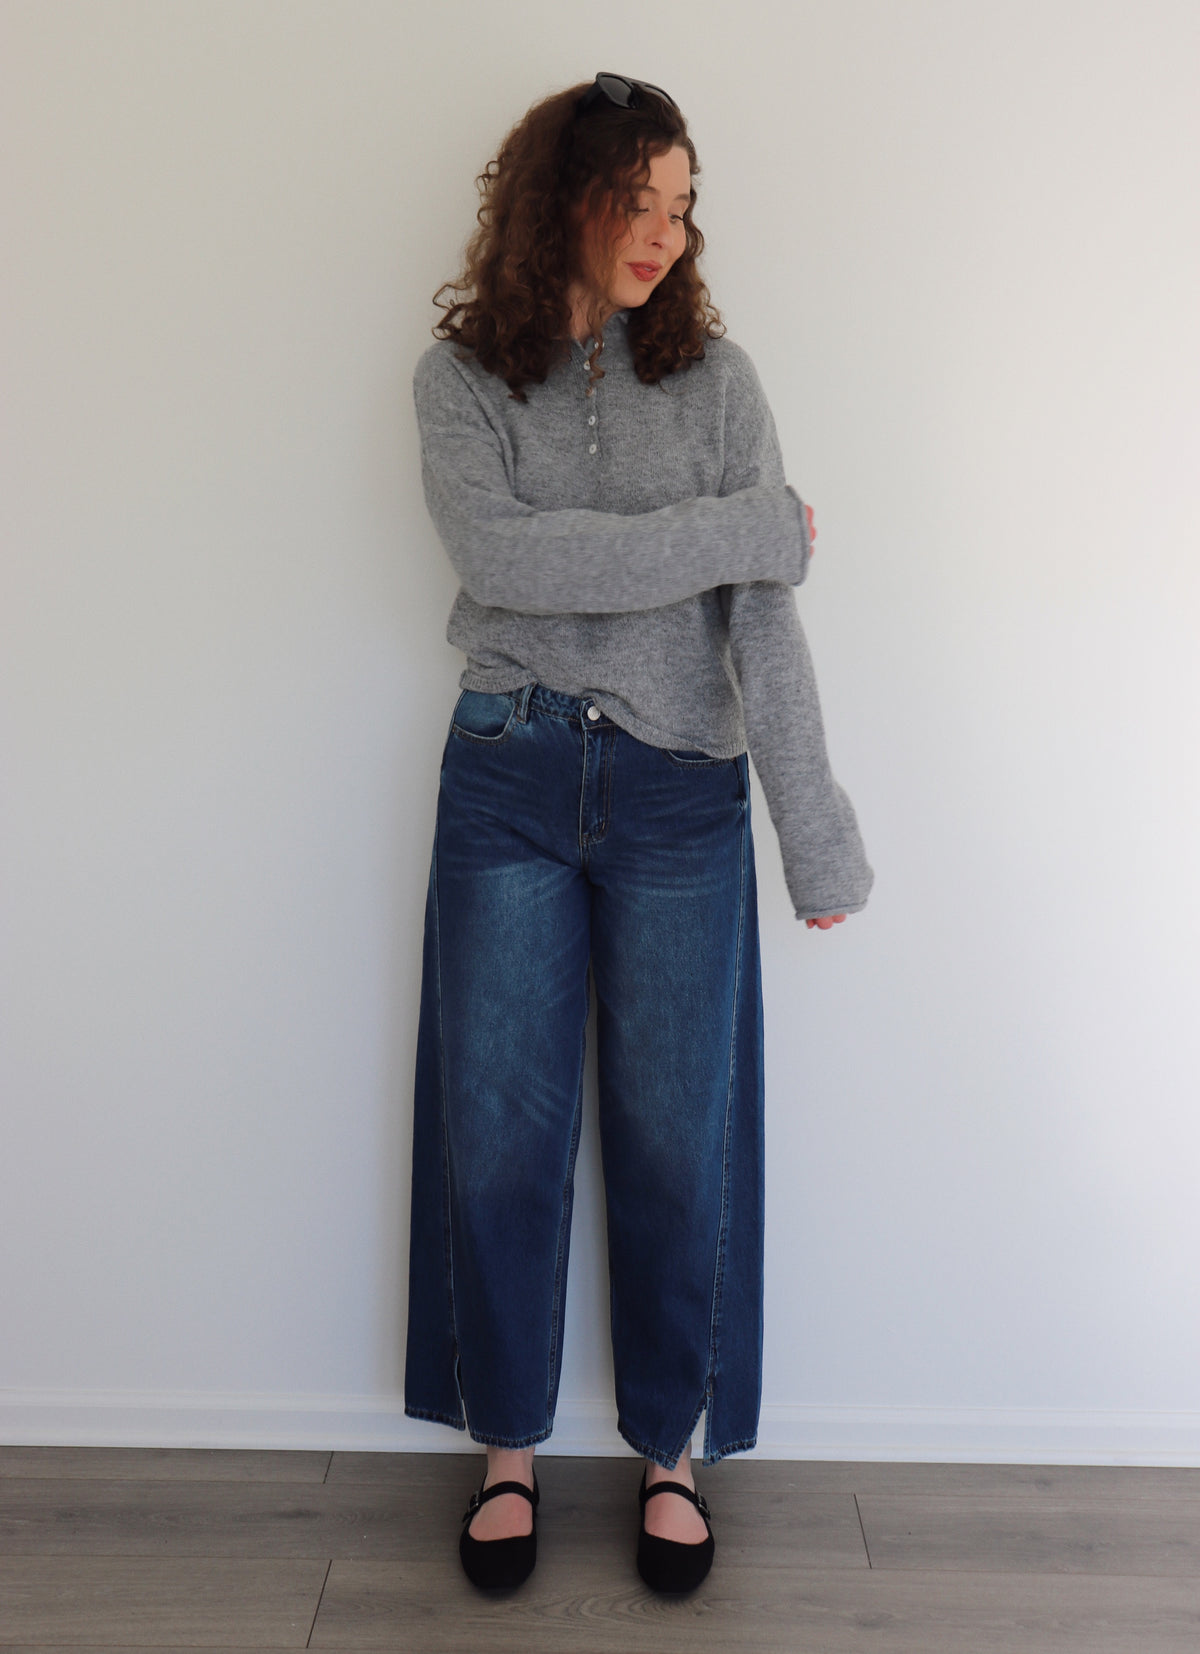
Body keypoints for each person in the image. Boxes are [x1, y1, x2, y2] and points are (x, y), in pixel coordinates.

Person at [403, 72, 873, 1594]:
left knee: (679, 1139)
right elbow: (503, 558)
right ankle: (509, 1451)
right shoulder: (461, 379)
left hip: (680, 794)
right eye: (639, 200)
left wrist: (817, 833)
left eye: (684, 204)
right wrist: (746, 527)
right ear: (565, 199)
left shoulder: (721, 384)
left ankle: (670, 1450)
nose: (667, 232)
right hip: (509, 778)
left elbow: (766, 633)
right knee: (501, 1137)